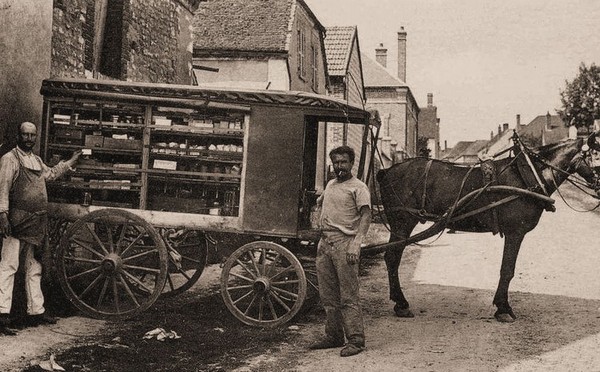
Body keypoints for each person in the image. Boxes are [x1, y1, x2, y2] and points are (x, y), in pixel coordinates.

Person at [0, 122, 81, 334]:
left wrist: (71, 161)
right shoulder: (10, 159)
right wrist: (3, 216)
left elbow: (51, 175)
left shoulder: (35, 160)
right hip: (17, 222)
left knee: (34, 266)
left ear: (36, 138)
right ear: (18, 136)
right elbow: (2, 189)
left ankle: (36, 311)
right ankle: (1, 316)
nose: (28, 138)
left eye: (32, 135)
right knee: (8, 266)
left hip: (36, 223)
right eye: (25, 135)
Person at [309, 145, 371, 357]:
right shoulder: (331, 184)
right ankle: (333, 336)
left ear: (352, 163)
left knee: (348, 296)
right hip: (325, 244)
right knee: (328, 295)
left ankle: (356, 340)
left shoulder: (359, 187)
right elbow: (322, 203)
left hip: (345, 245)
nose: (339, 166)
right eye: (336, 162)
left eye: (344, 162)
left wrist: (357, 243)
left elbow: (365, 216)